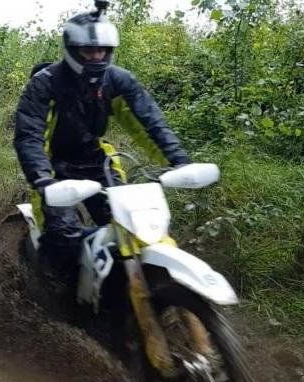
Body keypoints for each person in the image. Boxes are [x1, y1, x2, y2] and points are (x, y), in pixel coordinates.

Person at [13, 4, 191, 285]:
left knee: (133, 227)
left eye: (102, 50)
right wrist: (42, 178)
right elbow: (29, 136)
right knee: (62, 236)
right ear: (72, 49)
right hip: (52, 168)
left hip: (98, 161)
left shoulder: (117, 80)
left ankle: (118, 286)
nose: (97, 56)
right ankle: (50, 293)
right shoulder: (45, 84)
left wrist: (178, 160)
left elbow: (149, 123)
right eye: (88, 51)